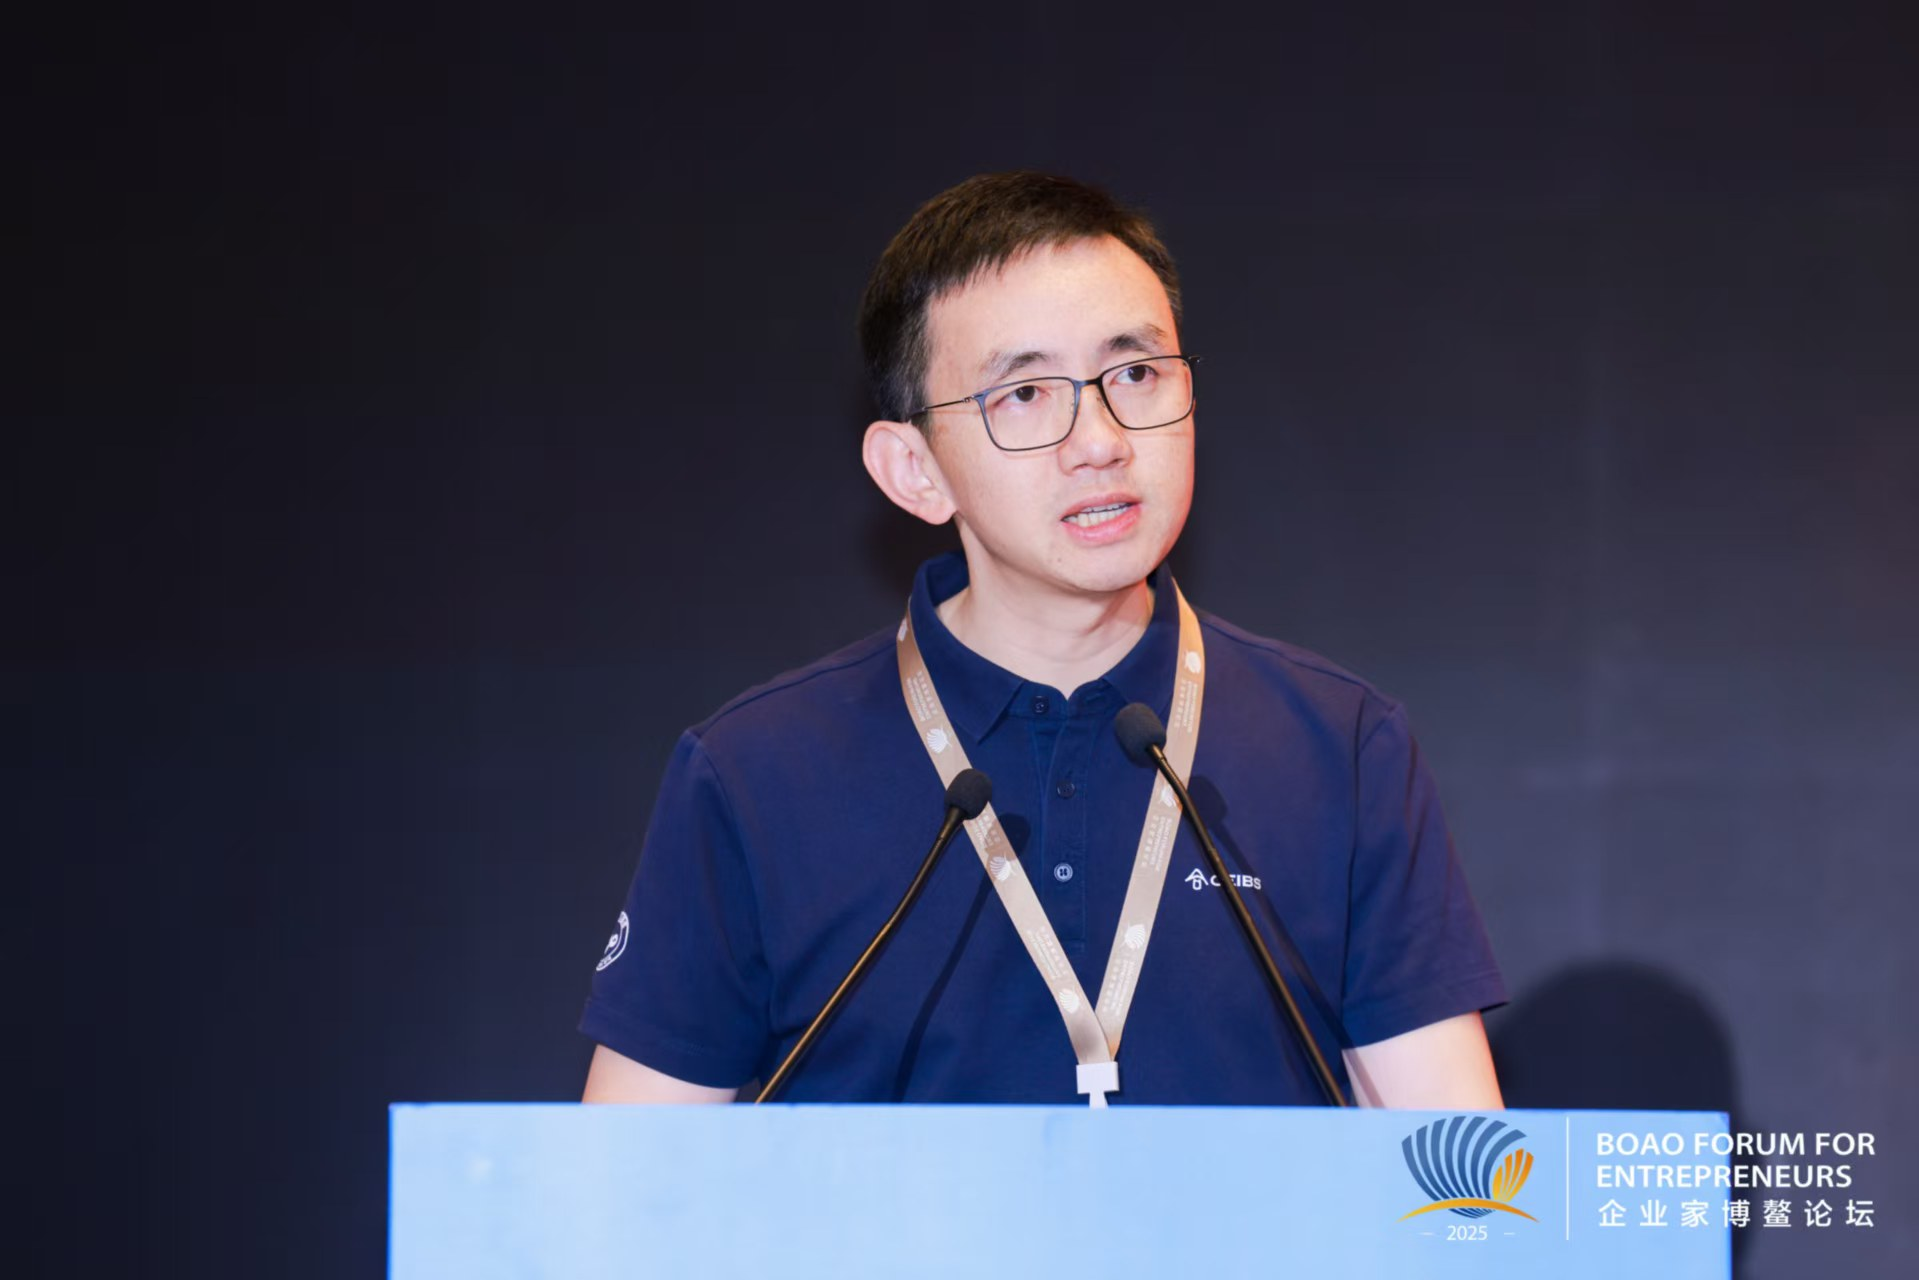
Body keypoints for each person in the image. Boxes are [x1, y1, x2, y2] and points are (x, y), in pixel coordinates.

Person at [580, 173, 1505, 1107]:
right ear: (914, 471)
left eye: (1135, 375)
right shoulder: (756, 773)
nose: (1100, 440)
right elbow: (623, 1179)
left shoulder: (1339, 748)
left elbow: (1457, 1168)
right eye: (1024, 392)